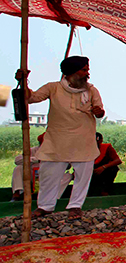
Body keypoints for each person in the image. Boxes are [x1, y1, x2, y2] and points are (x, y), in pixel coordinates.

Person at [17, 56, 104, 218]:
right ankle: (45, 206)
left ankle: (75, 206)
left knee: (82, 177)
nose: (87, 73)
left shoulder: (91, 90)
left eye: (87, 70)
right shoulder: (53, 88)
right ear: (71, 73)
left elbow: (99, 110)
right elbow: (30, 98)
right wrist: (23, 82)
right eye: (84, 70)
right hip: (57, 140)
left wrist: (99, 112)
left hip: (83, 140)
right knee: (48, 176)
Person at [11, 133, 42, 202]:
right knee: (18, 168)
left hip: (47, 178)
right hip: (31, 177)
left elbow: (66, 166)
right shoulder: (33, 150)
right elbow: (17, 160)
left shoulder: (55, 151)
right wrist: (35, 159)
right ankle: (17, 193)